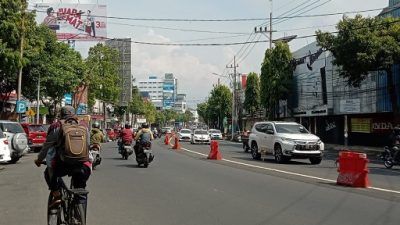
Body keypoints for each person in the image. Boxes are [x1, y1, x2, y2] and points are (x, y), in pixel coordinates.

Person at [34, 106, 91, 208]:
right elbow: (88, 144)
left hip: (61, 165)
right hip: (82, 165)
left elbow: (47, 146)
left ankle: (57, 196)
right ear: (74, 115)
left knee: (48, 172)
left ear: (61, 114)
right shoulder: (84, 125)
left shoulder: (56, 126)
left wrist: (39, 160)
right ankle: (80, 207)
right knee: (81, 188)